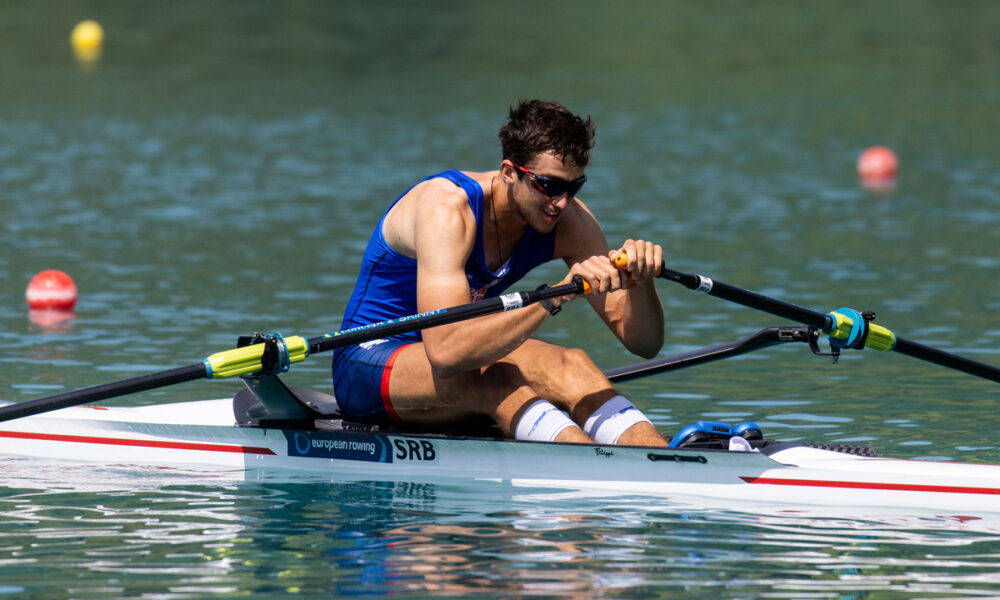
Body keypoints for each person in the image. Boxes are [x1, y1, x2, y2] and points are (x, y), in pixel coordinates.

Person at [332, 99, 668, 447]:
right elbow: (446, 353)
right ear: (509, 172)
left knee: (572, 364)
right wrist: (553, 298)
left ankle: (663, 465)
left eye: (573, 187)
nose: (562, 202)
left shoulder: (569, 222)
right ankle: (588, 470)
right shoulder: (448, 211)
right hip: (370, 361)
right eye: (548, 185)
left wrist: (641, 285)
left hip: (462, 351)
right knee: (499, 380)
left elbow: (643, 343)